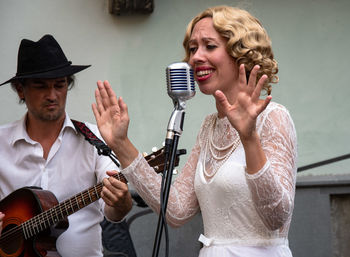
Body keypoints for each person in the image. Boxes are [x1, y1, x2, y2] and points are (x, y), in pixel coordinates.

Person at [92, 5, 297, 257]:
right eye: (192, 49)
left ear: (240, 54)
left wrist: (248, 137)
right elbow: (177, 211)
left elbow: (277, 215)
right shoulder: (209, 126)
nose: (195, 58)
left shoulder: (274, 117)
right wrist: (121, 144)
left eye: (209, 46)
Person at [0, 34, 133, 257]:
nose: (52, 95)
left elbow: (114, 211)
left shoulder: (95, 138)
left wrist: (121, 201)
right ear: (21, 90)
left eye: (59, 85)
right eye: (41, 86)